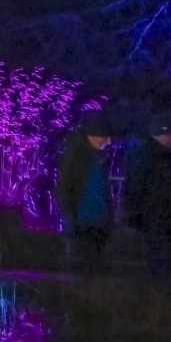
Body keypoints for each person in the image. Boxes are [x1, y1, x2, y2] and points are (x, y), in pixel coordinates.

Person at [125, 116, 171, 277]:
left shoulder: (157, 155)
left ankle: (159, 279)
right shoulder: (155, 156)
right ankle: (159, 282)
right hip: (155, 210)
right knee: (160, 248)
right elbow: (138, 184)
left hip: (160, 210)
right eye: (169, 134)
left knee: (160, 247)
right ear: (159, 135)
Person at [56, 111, 115, 274]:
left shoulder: (97, 156)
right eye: (105, 137)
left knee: (95, 260)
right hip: (84, 218)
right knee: (89, 263)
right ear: (93, 136)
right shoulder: (77, 156)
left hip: (97, 217)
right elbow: (65, 187)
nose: (108, 141)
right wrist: (69, 215)